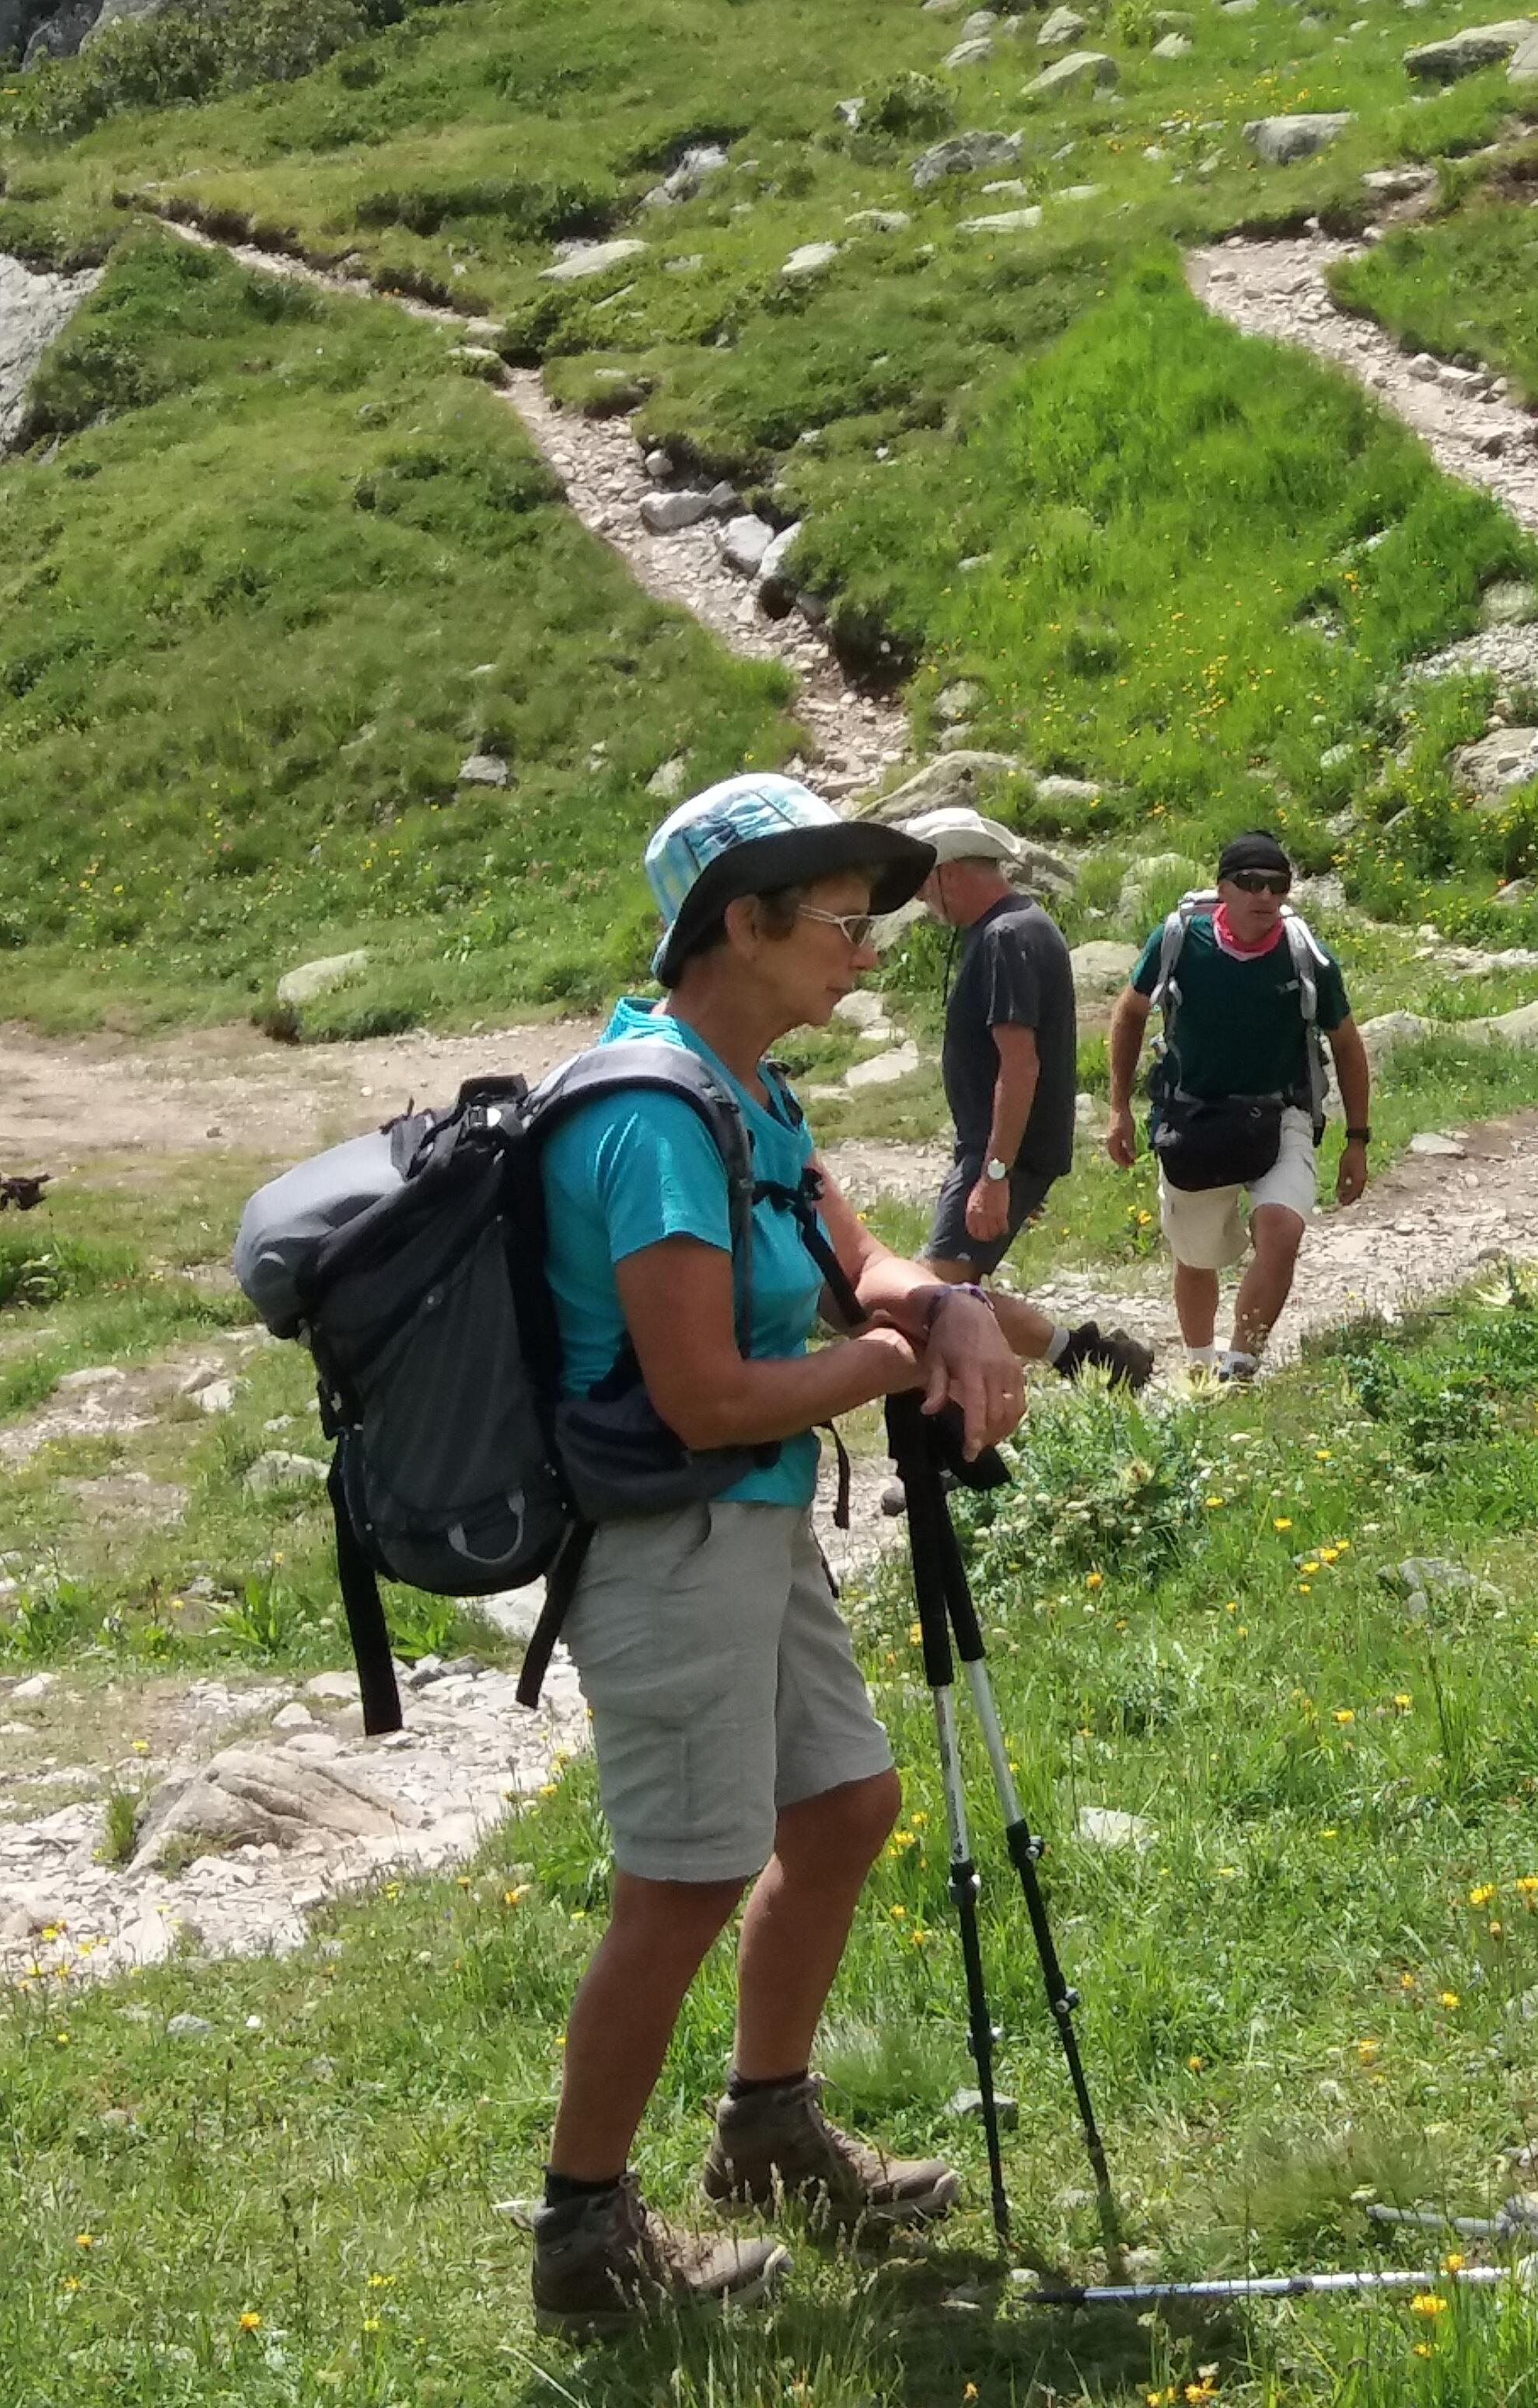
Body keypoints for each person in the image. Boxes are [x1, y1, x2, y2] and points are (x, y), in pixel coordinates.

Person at [530, 775, 1034, 2340]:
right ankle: (583, 2235)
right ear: (738, 924)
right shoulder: (651, 1117)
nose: (863, 954)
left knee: (841, 1806)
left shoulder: (748, 1093)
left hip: (747, 1521)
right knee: (682, 1879)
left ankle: (765, 2129)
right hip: (668, 1539)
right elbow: (704, 1395)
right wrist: (891, 1366)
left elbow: (851, 1256)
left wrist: (936, 1304)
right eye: (838, 921)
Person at [1101, 831, 1372, 1383]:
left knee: (1282, 1232)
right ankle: (1200, 1365)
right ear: (1223, 888)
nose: (1265, 896)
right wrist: (1118, 1109)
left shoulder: (1307, 956)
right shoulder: (1180, 940)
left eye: (1277, 885)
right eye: (1250, 883)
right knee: (1196, 1257)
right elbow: (1129, 1013)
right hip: (1193, 1116)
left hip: (1282, 1111)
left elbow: (1346, 1043)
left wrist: (1357, 1140)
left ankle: (1240, 1368)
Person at [903, 805, 1152, 1388]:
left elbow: (1020, 1064)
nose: (921, 898)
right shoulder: (1016, 927)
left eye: (923, 883)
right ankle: (1088, 1357)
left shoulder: (1006, 936)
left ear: (950, 873)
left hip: (998, 1156)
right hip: (1003, 1151)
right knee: (951, 1292)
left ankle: (953, 1444)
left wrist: (997, 1173)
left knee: (930, 1298)